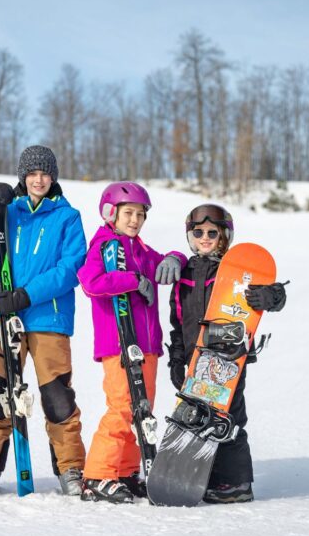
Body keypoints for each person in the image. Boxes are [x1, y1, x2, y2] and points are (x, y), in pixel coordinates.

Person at [0, 145, 88, 496]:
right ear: (22, 176)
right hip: (4, 316)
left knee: (58, 397)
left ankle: (70, 469)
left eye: (45, 173)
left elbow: (71, 268)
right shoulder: (8, 211)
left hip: (49, 318)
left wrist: (27, 295)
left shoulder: (67, 216)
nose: (38, 179)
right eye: (32, 173)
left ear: (53, 177)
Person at [166, 203, 288, 504]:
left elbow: (276, 294)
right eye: (199, 233)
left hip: (229, 359)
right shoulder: (184, 275)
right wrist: (177, 360)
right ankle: (207, 477)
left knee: (227, 417)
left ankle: (237, 483)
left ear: (224, 236)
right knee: (197, 418)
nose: (205, 238)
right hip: (196, 360)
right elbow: (177, 323)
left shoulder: (236, 270)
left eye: (213, 233)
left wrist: (270, 296)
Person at [77, 182, 187, 503]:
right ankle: (98, 475)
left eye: (140, 214)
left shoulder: (140, 250)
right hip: (119, 344)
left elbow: (166, 260)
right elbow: (90, 282)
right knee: (123, 408)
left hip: (147, 345)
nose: (135, 220)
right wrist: (133, 280)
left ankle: (125, 471)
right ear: (110, 213)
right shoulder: (104, 247)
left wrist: (176, 258)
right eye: (128, 213)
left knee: (142, 410)